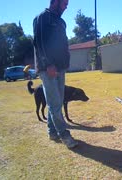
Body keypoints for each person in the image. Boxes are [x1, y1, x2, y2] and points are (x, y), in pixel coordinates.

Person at [33, 0, 78, 148]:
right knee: (54, 102)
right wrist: (48, 64)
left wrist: (66, 60)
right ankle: (64, 134)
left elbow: (63, 42)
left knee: (57, 101)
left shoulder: (61, 22)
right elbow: (39, 42)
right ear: (55, 2)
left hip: (61, 67)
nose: (66, 7)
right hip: (48, 68)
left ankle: (52, 131)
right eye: (64, 3)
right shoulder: (42, 17)